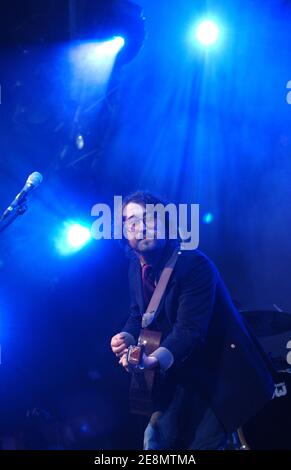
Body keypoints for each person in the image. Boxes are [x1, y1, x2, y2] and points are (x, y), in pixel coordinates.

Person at [111, 191, 275, 450]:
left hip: (218, 378)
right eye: (131, 221)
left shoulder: (194, 265)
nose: (141, 227)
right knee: (155, 443)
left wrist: (153, 360)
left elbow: (189, 331)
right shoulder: (135, 267)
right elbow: (138, 314)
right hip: (181, 378)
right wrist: (125, 337)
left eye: (149, 218)